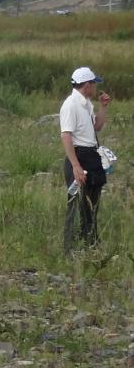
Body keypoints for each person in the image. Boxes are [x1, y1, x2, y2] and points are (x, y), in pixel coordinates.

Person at [61, 66, 112, 251]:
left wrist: (103, 107)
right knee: (77, 204)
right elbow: (66, 135)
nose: (96, 87)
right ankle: (71, 249)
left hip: (91, 155)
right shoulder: (71, 105)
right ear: (87, 85)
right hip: (79, 156)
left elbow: (96, 126)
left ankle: (91, 243)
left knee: (92, 203)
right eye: (94, 83)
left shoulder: (86, 103)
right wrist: (75, 166)